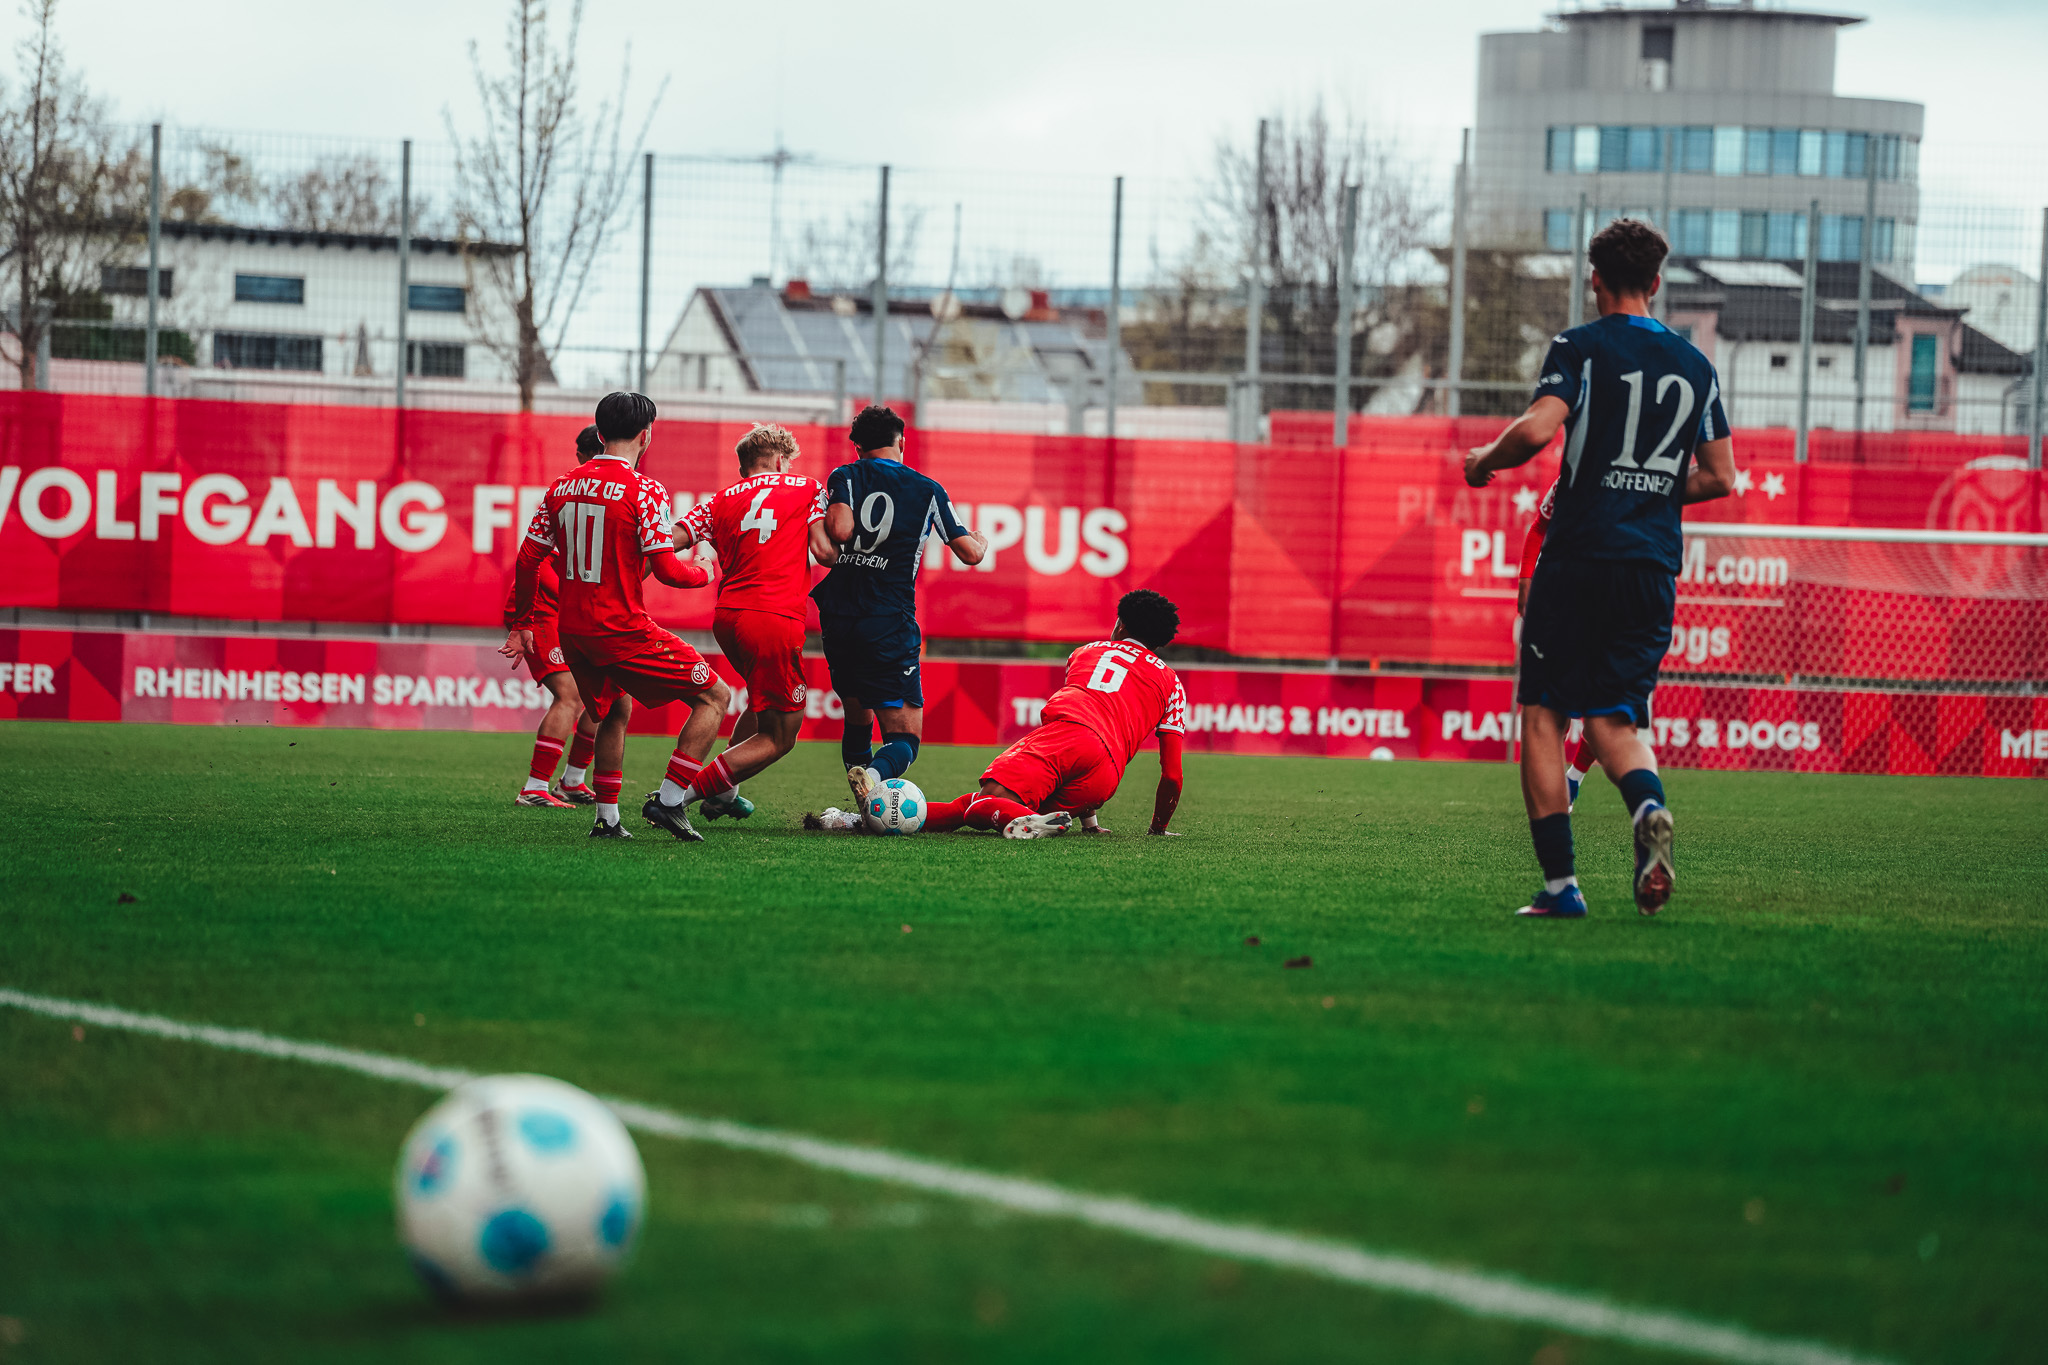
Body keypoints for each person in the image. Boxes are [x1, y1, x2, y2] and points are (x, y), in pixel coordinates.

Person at [1465, 218, 1735, 918]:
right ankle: (1647, 807)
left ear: (1594, 279)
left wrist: (1483, 461)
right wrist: (1649, 489)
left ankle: (1562, 888)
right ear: (1655, 282)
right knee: (1615, 721)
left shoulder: (1579, 347)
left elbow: (1536, 429)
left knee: (1544, 714)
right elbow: (1720, 477)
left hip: (1581, 557)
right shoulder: (1696, 366)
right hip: (1651, 568)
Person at [508, 392, 730, 842]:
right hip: (620, 629)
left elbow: (528, 559)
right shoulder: (645, 490)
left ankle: (607, 819)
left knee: (614, 709)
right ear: (646, 436)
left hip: (573, 632)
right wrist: (704, 572)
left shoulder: (561, 486)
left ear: (600, 433)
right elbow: (667, 571)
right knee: (715, 696)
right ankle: (670, 800)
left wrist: (522, 623)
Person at [901, 590, 1187, 840]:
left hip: (1067, 735)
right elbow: (1172, 775)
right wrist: (1157, 828)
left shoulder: (1086, 652)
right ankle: (891, 821)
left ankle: (1027, 820)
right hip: (1104, 777)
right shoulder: (1172, 682)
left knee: (985, 802)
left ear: (1121, 624)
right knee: (973, 804)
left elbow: (1086, 725)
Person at [811, 405, 986, 807]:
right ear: (901, 442)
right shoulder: (927, 489)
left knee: (858, 717)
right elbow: (970, 554)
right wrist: (980, 540)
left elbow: (838, 530)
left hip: (838, 616)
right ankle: (872, 779)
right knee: (904, 738)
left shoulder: (843, 476)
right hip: (887, 619)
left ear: (857, 447)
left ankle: (863, 809)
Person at [673, 424, 840, 818]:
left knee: (761, 699)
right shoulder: (807, 488)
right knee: (781, 734)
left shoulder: (720, 499)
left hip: (728, 617)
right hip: (772, 618)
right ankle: (675, 797)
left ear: (744, 467)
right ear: (781, 461)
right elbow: (824, 552)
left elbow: (669, 538)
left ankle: (724, 794)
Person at [500, 424, 608, 808]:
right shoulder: (566, 492)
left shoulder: (616, 492)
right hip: (543, 611)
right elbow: (534, 563)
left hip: (575, 612)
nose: (602, 461)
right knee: (571, 694)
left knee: (606, 695)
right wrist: (522, 624)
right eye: (595, 454)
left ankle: (573, 781)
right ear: (580, 457)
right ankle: (534, 787)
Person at [1516, 476, 1613, 811]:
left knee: (1604, 714)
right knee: (1553, 707)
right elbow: (1539, 526)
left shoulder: (1631, 486)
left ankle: (1573, 778)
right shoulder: (1568, 480)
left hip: (1608, 610)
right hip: (1559, 605)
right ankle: (1553, 785)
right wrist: (1525, 580)